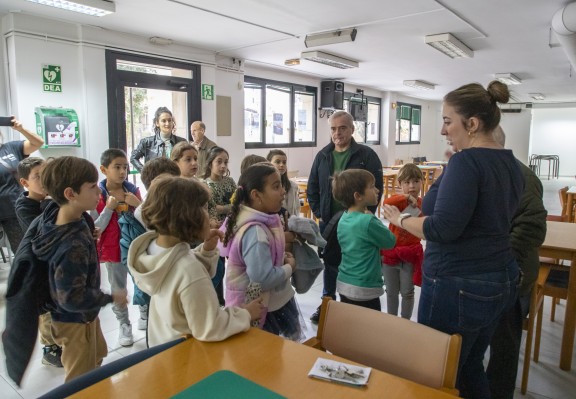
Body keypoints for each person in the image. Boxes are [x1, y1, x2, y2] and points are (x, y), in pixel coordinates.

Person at [383, 81, 522, 398]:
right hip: (498, 278)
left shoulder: (467, 162)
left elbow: (442, 228)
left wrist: (401, 219)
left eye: (448, 121)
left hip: (459, 284)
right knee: (470, 366)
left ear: (472, 124)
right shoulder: (509, 163)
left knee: (438, 372)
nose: (444, 130)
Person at [127, 175, 263, 347]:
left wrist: (206, 251)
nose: (209, 216)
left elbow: (177, 268)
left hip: (162, 349)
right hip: (187, 357)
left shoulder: (151, 250)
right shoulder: (189, 271)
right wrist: (246, 313)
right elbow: (211, 327)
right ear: (188, 216)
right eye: (205, 209)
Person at [31, 156, 127, 382]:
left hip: (86, 315)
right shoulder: (70, 245)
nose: (99, 193)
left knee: (96, 359)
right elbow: (71, 298)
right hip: (74, 320)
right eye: (93, 187)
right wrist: (110, 297)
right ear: (70, 194)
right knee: (80, 379)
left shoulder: (66, 214)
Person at [486, 127, 547, 399]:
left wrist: (494, 254)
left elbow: (532, 227)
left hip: (513, 274)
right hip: (483, 274)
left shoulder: (523, 177)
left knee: (505, 346)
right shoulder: (480, 172)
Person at [307, 110, 383, 323]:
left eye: (342, 128)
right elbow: (313, 187)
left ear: (352, 129)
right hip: (330, 223)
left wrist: (366, 214)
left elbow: (377, 188)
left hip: (356, 222)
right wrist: (320, 212)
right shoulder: (322, 155)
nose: (337, 132)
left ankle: (354, 306)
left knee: (354, 262)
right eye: (333, 128)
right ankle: (327, 305)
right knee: (330, 265)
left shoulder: (366, 155)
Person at [220, 163, 304, 341]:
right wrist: (290, 267)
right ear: (256, 195)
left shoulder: (259, 221)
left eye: (281, 185)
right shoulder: (255, 231)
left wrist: (280, 258)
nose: (282, 191)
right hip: (266, 309)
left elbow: (263, 259)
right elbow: (262, 279)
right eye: (276, 187)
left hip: (274, 302)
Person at [14, 157, 64, 367]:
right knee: (45, 308)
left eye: (46, 175)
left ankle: (59, 340)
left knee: (57, 302)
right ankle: (49, 348)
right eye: (38, 177)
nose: (44, 180)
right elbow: (41, 232)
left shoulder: (51, 200)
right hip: (38, 265)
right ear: (25, 183)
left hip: (56, 261)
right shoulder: (24, 205)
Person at [92, 149, 142, 347]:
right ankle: (124, 324)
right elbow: (97, 228)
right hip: (112, 251)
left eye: (125, 167)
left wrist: (138, 204)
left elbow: (146, 219)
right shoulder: (98, 194)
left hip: (135, 246)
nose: (122, 172)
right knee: (119, 288)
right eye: (117, 167)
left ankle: (144, 314)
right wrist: (108, 208)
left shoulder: (132, 190)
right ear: (104, 169)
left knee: (140, 282)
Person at [126, 157, 181, 331]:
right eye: (167, 181)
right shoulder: (145, 210)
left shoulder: (169, 204)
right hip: (160, 268)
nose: (173, 186)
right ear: (153, 183)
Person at [333, 169, 395, 311]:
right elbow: (390, 241)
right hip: (365, 288)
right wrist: (373, 218)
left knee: (352, 326)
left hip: (345, 283)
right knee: (368, 329)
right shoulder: (367, 221)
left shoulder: (344, 217)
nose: (377, 190)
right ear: (358, 196)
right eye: (372, 186)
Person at [381, 163, 424, 319]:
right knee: (391, 292)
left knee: (407, 291)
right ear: (400, 184)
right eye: (406, 182)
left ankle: (405, 321)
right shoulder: (398, 201)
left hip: (410, 255)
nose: (411, 186)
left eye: (415, 181)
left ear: (422, 182)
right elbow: (385, 204)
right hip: (391, 254)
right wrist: (405, 197)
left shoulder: (422, 204)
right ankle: (392, 320)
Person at [0, 117, 44, 252]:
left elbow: (38, 142)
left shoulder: (11, 147)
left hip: (13, 209)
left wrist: (20, 129)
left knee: (23, 250)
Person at [130, 107, 186, 173]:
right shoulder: (147, 142)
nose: (167, 123)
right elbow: (133, 158)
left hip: (176, 180)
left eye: (169, 120)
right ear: (157, 123)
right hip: (154, 181)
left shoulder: (182, 142)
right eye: (164, 121)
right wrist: (145, 172)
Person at [267, 149, 300, 217]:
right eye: (277, 162)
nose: (282, 165)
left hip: (291, 223)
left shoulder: (292, 186)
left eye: (284, 162)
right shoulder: (266, 186)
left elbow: (296, 208)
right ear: (268, 163)